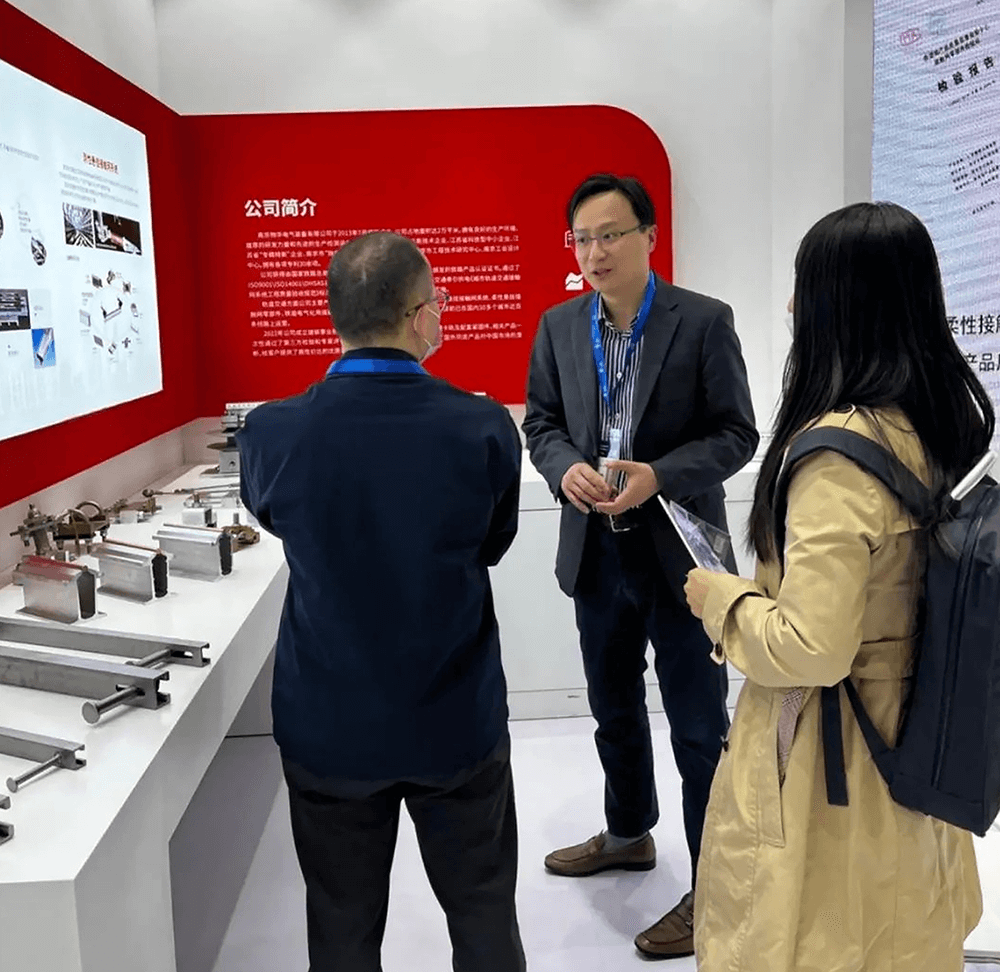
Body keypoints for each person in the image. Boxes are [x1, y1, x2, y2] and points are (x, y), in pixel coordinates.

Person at [685, 202, 986, 971]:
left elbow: (813, 649)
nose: (791, 305)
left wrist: (724, 603)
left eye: (804, 285)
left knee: (819, 938)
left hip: (837, 763)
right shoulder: (933, 425)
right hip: (914, 740)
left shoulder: (835, 456)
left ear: (839, 303)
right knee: (903, 932)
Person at [236, 232, 526, 972]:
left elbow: (272, 517)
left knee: (341, 928)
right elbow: (493, 543)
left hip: (329, 723)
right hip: (455, 718)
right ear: (418, 314)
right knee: (484, 914)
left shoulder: (270, 432)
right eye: (438, 304)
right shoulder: (483, 427)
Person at [523, 173, 759, 959]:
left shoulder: (703, 321)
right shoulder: (559, 325)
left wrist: (659, 474)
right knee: (613, 706)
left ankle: (715, 887)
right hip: (596, 551)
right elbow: (542, 424)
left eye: (611, 234)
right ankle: (629, 833)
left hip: (681, 556)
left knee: (698, 727)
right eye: (582, 238)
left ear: (650, 236)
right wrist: (564, 468)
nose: (595, 252)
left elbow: (737, 434)